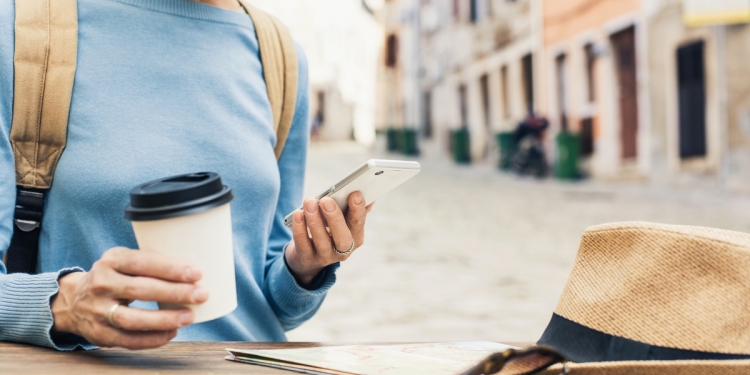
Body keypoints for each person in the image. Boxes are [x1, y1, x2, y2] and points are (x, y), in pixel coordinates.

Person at [0, 0, 372, 350]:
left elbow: (274, 306)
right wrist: (64, 304)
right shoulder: (21, 29)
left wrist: (304, 266)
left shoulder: (280, 55)